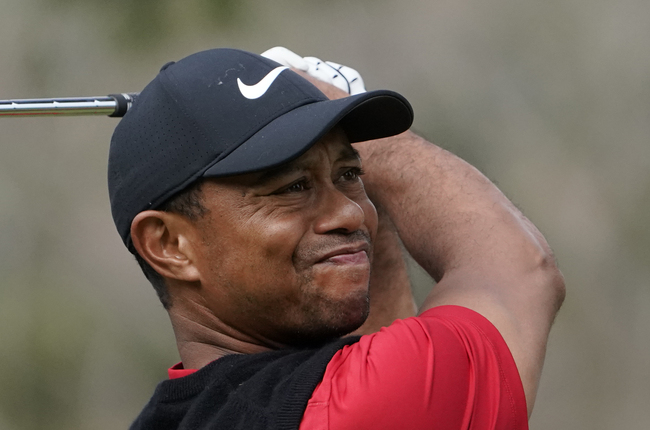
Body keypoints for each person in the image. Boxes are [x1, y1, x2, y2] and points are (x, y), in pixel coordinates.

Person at [107, 47, 565, 430]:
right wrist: (352, 116)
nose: (349, 212)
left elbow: (370, 350)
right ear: (169, 245)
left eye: (349, 175)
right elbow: (521, 269)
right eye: (292, 187)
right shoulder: (353, 409)